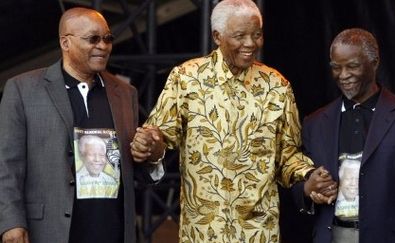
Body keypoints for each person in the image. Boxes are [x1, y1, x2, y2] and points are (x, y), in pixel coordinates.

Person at [130, 0, 337, 242]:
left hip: (259, 233)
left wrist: (308, 176)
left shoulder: (276, 86)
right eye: (240, 36)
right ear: (217, 36)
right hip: (203, 233)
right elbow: (160, 135)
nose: (250, 43)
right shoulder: (186, 79)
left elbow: (287, 155)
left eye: (257, 35)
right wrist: (151, 145)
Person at [0, 7, 162, 243]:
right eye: (93, 39)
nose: (103, 46)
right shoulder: (23, 89)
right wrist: (11, 222)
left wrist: (150, 153)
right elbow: (7, 164)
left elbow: (131, 164)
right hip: (49, 230)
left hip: (111, 229)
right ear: (66, 43)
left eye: (108, 39)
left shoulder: (125, 93)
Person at [292, 28, 395, 243]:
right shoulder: (315, 123)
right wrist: (308, 190)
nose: (343, 75)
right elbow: (297, 183)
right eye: (336, 68)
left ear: (374, 63)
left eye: (353, 66)